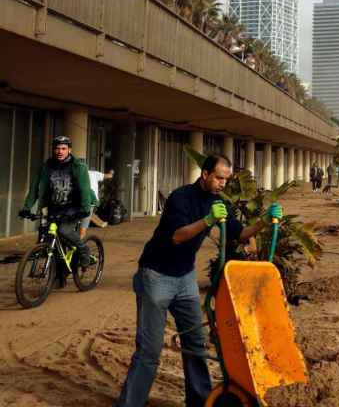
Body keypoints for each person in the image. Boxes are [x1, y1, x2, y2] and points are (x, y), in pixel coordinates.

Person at [116, 154, 270, 407]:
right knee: (149, 351)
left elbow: (240, 234)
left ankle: (199, 401)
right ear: (205, 174)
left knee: (196, 343)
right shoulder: (181, 197)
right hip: (156, 276)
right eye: (219, 178)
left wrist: (265, 221)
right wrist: (208, 220)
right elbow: (178, 236)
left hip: (185, 277)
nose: (223, 183)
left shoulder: (220, 202)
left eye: (226, 180)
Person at [19, 135, 96, 265]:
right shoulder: (46, 167)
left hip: (76, 205)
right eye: (57, 148)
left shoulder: (78, 166)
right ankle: (58, 274)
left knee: (64, 230)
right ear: (53, 150)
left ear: (69, 150)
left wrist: (84, 210)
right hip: (55, 206)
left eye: (63, 148)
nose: (59, 151)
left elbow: (84, 190)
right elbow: (35, 189)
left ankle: (84, 251)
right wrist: (26, 208)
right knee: (48, 234)